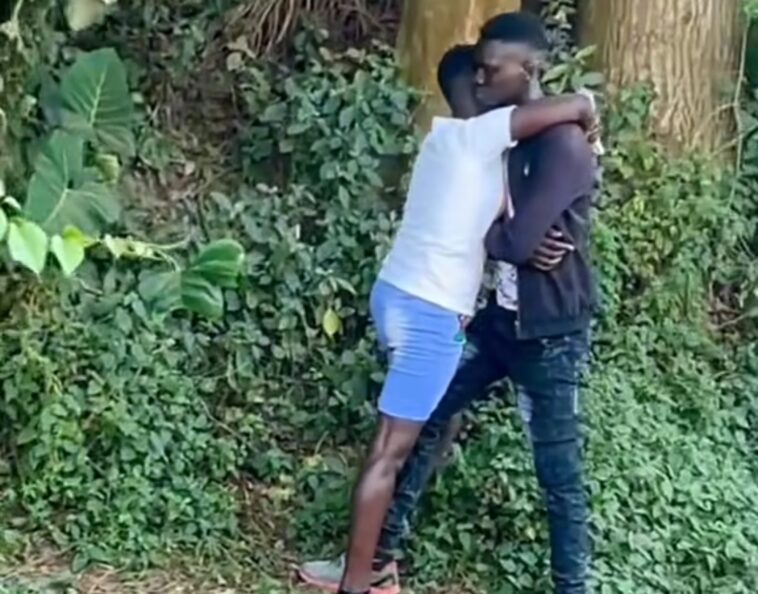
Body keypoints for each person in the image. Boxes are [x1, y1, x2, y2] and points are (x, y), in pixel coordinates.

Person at [299, 11, 599, 594]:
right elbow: (512, 240)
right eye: (476, 74)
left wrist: (513, 240)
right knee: (425, 422)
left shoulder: (559, 143)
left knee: (558, 474)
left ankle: (573, 588)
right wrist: (503, 239)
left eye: (491, 72)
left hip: (548, 330)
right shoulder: (493, 136)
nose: (481, 84)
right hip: (493, 319)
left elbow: (528, 234)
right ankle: (376, 562)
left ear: (528, 69)